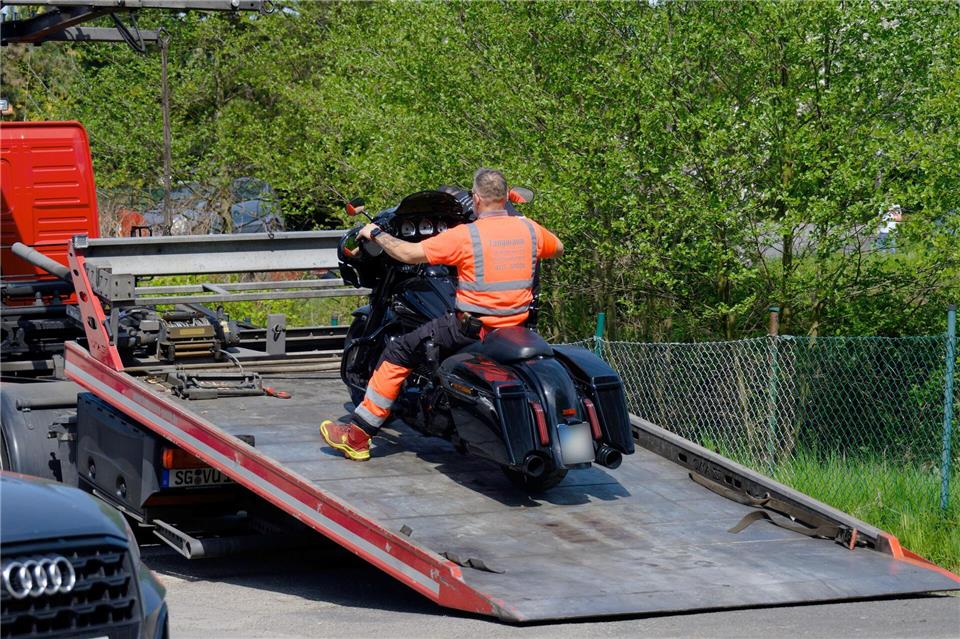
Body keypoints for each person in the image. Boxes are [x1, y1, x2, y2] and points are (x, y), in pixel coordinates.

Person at [320, 168, 564, 461]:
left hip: (471, 330)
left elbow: (408, 254)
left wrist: (376, 234)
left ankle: (357, 436)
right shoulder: (530, 230)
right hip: (517, 328)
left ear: (477, 199)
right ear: (505, 197)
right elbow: (558, 248)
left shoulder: (466, 236)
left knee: (399, 351)